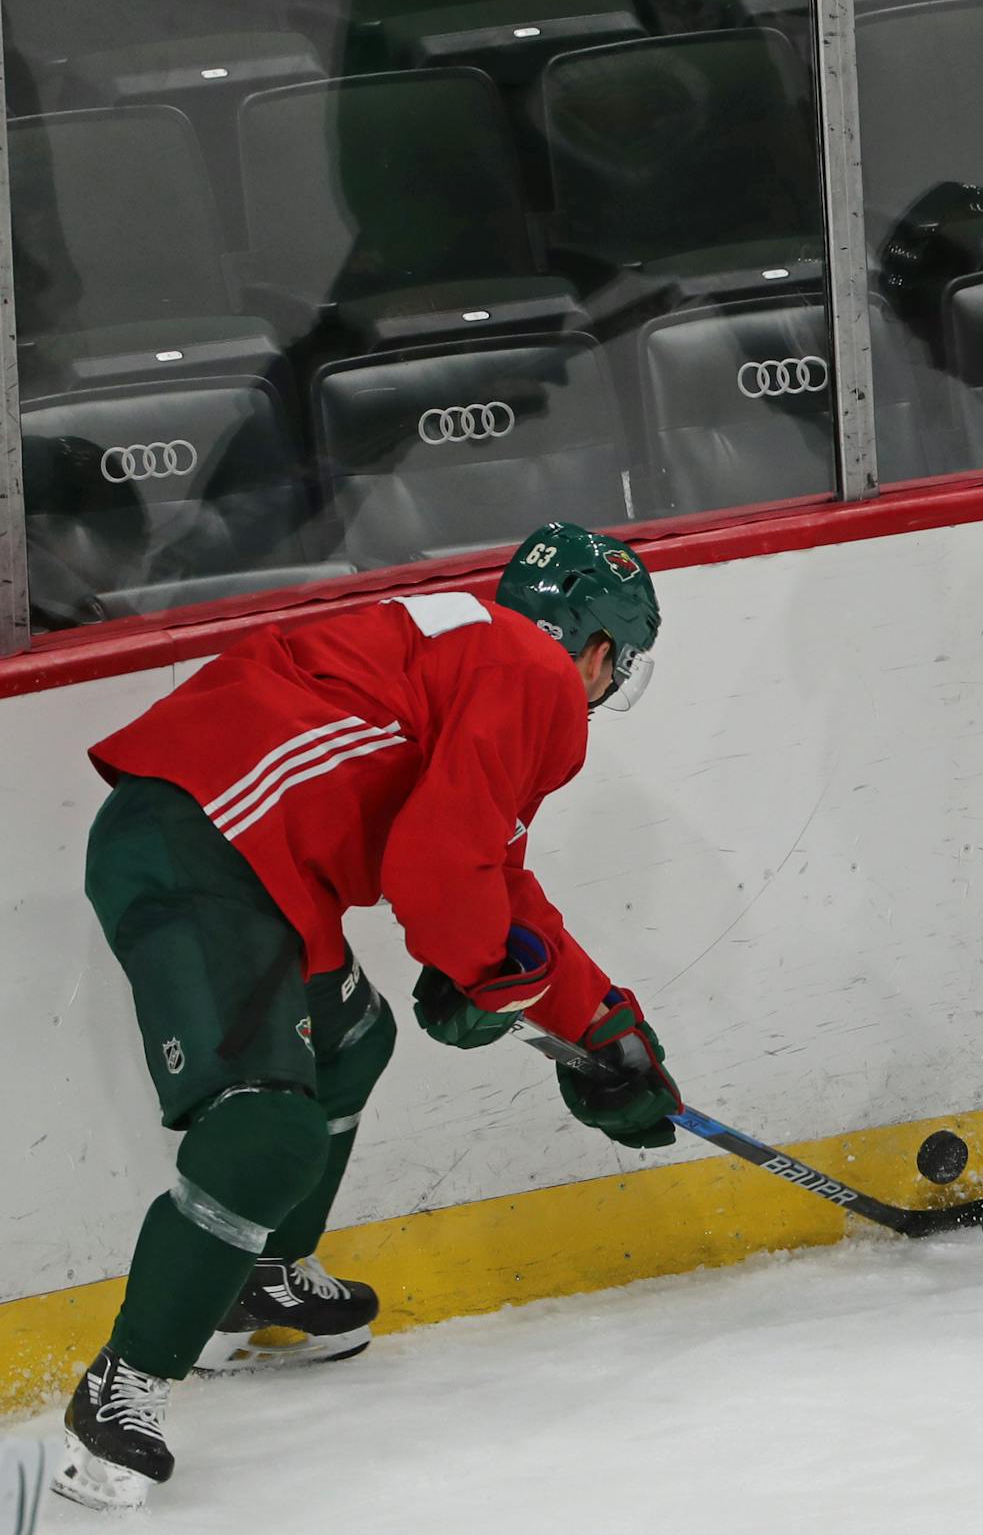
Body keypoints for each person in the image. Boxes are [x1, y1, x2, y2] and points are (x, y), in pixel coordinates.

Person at [53, 522, 679, 1512]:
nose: (606, 689)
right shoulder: (537, 676)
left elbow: (492, 877)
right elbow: (437, 877)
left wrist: (600, 1022)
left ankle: (264, 1277)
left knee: (353, 1039)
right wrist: (485, 980)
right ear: (599, 645)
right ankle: (120, 1389)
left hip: (238, 849)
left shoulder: (479, 652)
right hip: (208, 849)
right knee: (265, 1129)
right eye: (619, 665)